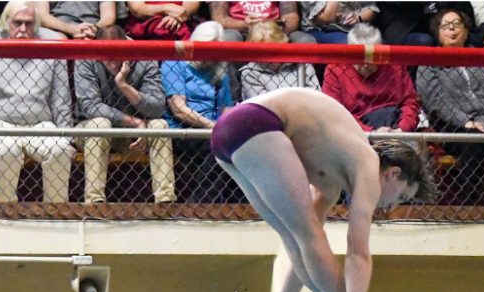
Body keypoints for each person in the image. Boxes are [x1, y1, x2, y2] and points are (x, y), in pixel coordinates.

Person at [210, 87, 435, 292]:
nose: (392, 206)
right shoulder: (367, 163)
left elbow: (300, 249)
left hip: (225, 137)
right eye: (401, 196)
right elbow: (358, 254)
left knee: (297, 235)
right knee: (307, 234)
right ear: (393, 174)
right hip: (256, 122)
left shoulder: (331, 176)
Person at [417, 7, 484, 206]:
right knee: (474, 143)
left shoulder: (482, 57)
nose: (452, 29)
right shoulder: (429, 61)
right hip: (456, 126)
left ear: (467, 30)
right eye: (446, 25)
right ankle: (470, 207)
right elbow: (435, 101)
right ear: (437, 32)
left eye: (457, 24)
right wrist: (466, 122)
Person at [0, 0, 75, 204]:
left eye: (29, 23)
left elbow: (61, 96)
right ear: (5, 22)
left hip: (40, 124)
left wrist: (67, 137)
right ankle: (3, 212)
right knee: (8, 149)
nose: (23, 29)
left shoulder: (52, 42)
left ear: (37, 24)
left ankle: (57, 213)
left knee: (60, 148)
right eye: (17, 23)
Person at [75, 24, 176, 204]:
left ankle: (166, 201)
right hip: (92, 130)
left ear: (127, 47)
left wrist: (124, 86)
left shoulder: (144, 56)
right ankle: (94, 202)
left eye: (118, 56)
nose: (113, 63)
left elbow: (158, 107)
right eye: (107, 58)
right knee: (100, 124)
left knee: (160, 125)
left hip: (135, 137)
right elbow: (91, 106)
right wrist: (134, 122)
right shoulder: (86, 55)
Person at [162, 21, 239, 204]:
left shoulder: (221, 68)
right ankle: (199, 204)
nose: (208, 57)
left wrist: (226, 127)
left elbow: (227, 108)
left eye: (213, 51)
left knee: (240, 143)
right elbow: (179, 109)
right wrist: (213, 127)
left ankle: (240, 205)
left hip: (215, 128)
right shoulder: (175, 63)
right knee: (219, 144)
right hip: (183, 129)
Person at [322, 23, 421, 133]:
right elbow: (335, 113)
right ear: (349, 54)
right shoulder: (335, 69)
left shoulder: (394, 65)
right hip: (357, 129)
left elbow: (410, 102)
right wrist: (371, 133)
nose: (365, 63)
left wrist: (402, 129)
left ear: (380, 53)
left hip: (395, 122)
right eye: (358, 58)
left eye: (372, 57)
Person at [239, 20, 321, 99]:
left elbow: (317, 98)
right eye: (263, 52)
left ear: (284, 43)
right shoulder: (249, 73)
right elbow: (262, 106)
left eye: (274, 51)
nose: (270, 57)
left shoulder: (303, 65)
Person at [210, 1, 314, 43]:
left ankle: (303, 88)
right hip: (240, 31)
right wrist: (245, 25)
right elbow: (219, 18)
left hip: (276, 29)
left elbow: (291, 18)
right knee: (228, 38)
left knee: (305, 40)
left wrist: (270, 25)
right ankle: (235, 87)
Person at [299, 1, 377, 44]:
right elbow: (326, 18)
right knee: (346, 44)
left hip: (353, 29)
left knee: (376, 42)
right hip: (320, 29)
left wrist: (358, 17)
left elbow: (372, 10)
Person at [37, 0, 118, 38]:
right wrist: (72, 29)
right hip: (59, 29)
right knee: (59, 39)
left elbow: (109, 17)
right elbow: (42, 17)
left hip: (93, 30)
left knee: (113, 36)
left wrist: (93, 29)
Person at [125, 0, 200, 40]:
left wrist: (175, 17)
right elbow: (137, 10)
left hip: (179, 26)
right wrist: (167, 8)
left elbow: (193, 3)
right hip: (145, 33)